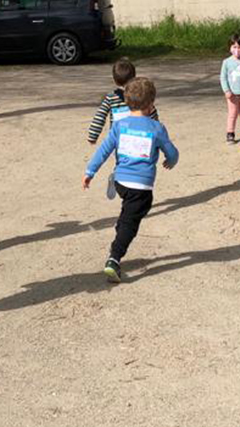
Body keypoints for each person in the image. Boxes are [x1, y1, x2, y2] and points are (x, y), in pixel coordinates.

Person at [83, 77, 179, 283]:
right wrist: (171, 160)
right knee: (131, 222)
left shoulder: (119, 125)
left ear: (127, 101)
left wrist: (90, 171)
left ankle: (121, 230)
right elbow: (172, 152)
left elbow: (104, 150)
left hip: (121, 182)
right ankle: (114, 259)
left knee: (128, 214)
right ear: (151, 103)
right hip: (141, 186)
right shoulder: (156, 128)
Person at [87, 57, 160, 145]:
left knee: (121, 157)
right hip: (140, 135)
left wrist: (93, 135)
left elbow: (100, 116)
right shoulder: (140, 95)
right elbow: (151, 112)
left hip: (118, 138)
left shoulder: (111, 98)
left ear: (114, 80)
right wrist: (156, 132)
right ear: (134, 78)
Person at [220, 33, 240, 143]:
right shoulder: (227, 62)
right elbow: (223, 78)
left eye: (239, 47)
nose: (237, 49)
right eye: (234, 47)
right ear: (230, 47)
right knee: (232, 113)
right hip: (232, 94)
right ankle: (230, 133)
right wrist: (227, 90)